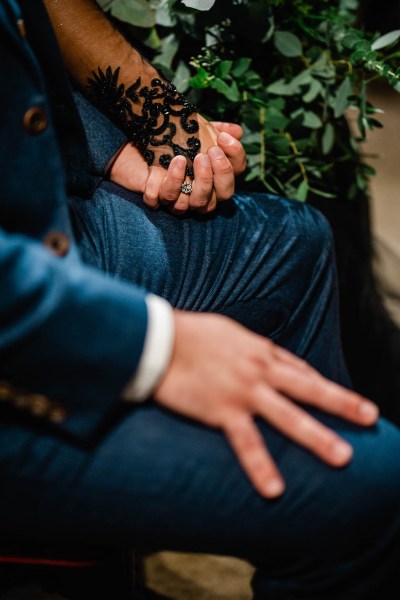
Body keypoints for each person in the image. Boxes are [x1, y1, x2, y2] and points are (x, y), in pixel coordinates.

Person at [0, 1, 399, 598]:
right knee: (371, 485)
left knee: (295, 242)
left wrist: (119, 147)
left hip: (30, 223)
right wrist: (157, 346)